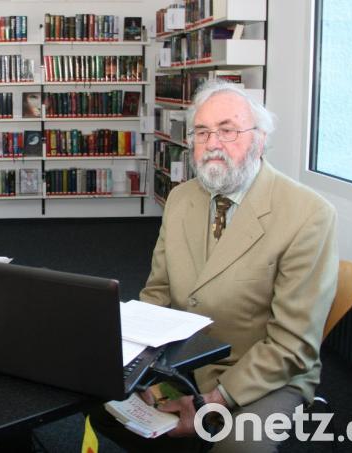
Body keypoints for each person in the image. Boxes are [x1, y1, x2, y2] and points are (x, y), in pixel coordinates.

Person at [90, 80, 338, 453]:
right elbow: (156, 295)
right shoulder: (180, 199)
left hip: (264, 375)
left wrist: (211, 402)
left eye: (228, 130)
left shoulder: (308, 215)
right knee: (101, 407)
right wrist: (144, 374)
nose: (213, 144)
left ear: (260, 138)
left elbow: (293, 345)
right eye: (202, 132)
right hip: (183, 362)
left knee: (237, 449)